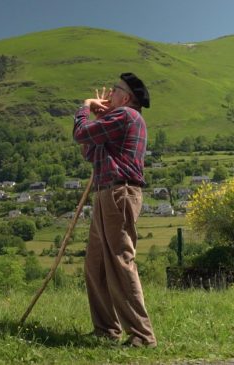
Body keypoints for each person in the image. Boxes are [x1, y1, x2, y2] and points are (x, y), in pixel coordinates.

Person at [73, 72, 157, 348]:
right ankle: (106, 329)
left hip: (118, 193)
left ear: (126, 97)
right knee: (95, 265)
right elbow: (90, 151)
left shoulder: (127, 116)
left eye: (115, 90)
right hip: (106, 192)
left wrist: (86, 106)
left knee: (121, 260)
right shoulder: (116, 120)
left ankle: (142, 336)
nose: (109, 95)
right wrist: (98, 119)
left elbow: (80, 133)